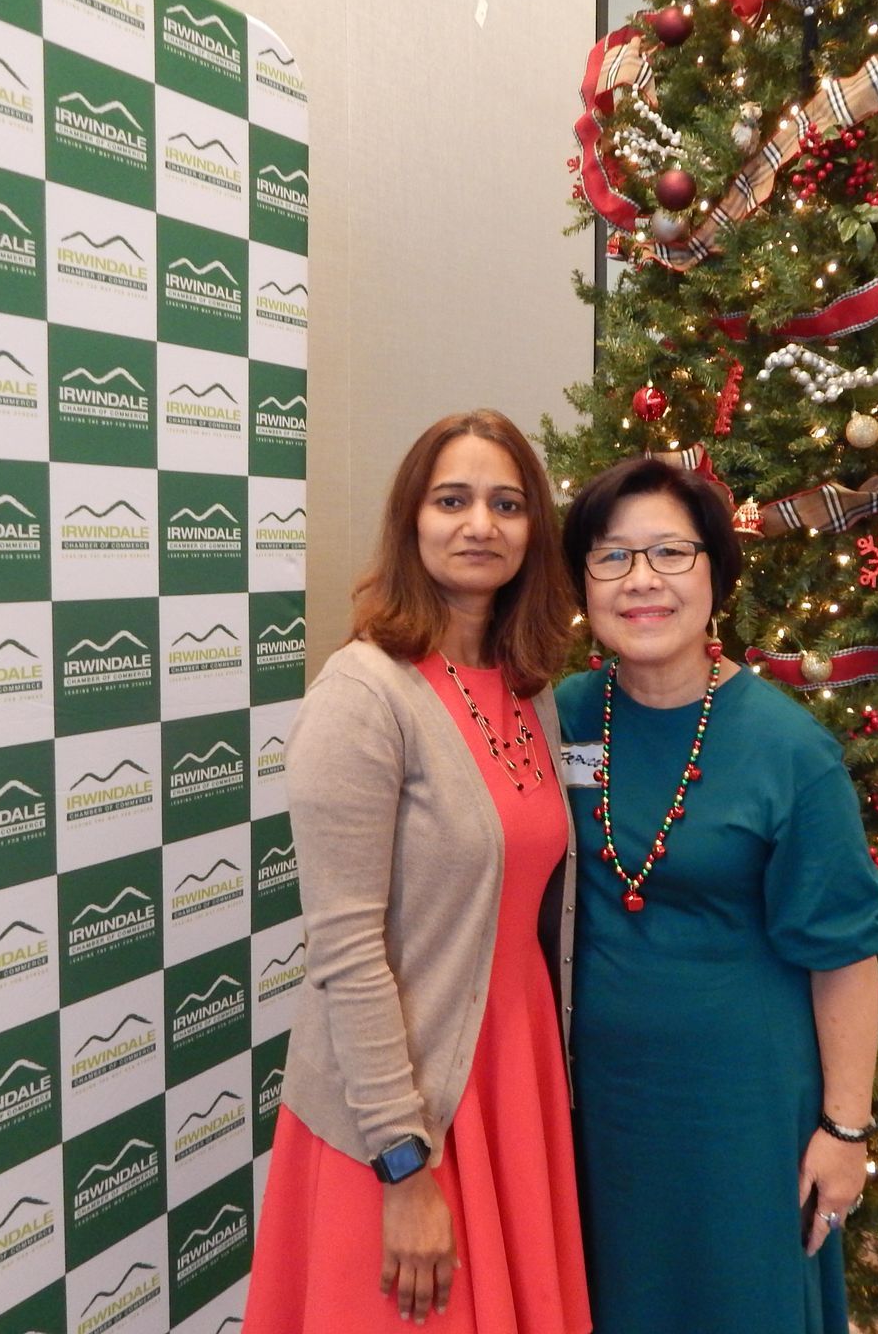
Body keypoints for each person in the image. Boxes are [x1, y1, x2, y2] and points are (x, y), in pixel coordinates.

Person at [246, 410, 590, 1334]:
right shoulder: (363, 695)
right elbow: (347, 949)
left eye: (507, 503)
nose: (480, 523)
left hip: (511, 1071)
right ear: (411, 521)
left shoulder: (529, 689)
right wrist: (401, 1163)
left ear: (533, 534)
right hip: (402, 1104)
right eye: (453, 499)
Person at [555, 457, 878, 1334]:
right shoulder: (557, 717)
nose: (641, 581)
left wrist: (847, 1132)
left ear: (715, 573)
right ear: (583, 582)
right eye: (612, 557)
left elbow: (846, 958)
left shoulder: (789, 750)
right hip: (589, 1109)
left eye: (671, 553)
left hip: (741, 1114)